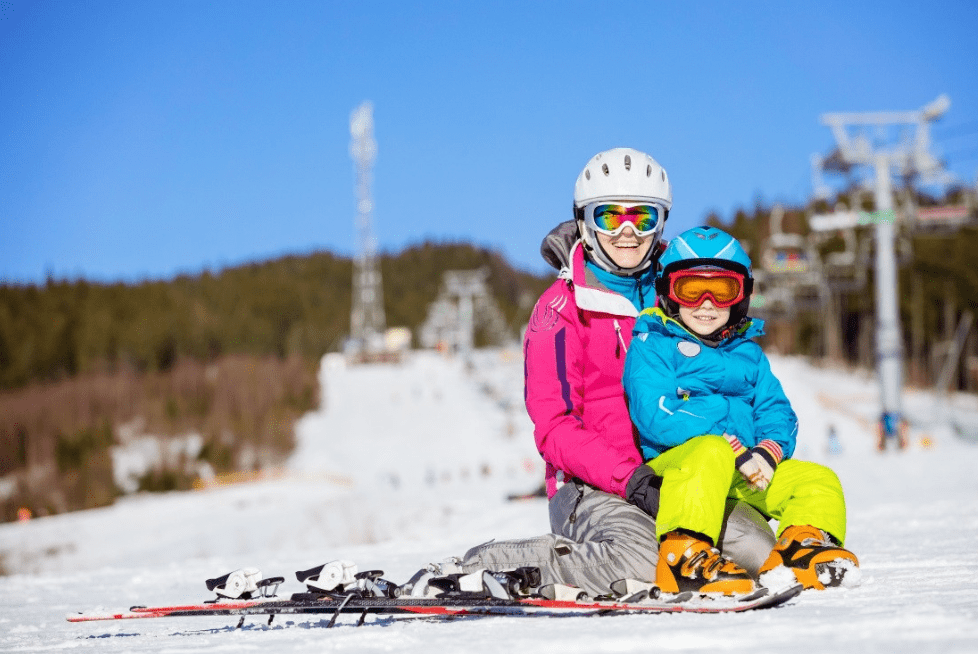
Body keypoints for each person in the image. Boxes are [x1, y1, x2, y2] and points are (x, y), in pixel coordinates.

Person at [418, 149, 776, 598]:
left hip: (675, 476)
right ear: (586, 221)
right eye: (611, 216)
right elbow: (554, 427)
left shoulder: (679, 295)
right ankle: (483, 567)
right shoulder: (561, 309)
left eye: (642, 218)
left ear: (660, 223)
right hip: (594, 487)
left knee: (761, 551)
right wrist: (632, 480)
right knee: (649, 560)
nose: (627, 233)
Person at [622, 225, 860, 595]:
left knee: (816, 479)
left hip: (744, 472)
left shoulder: (747, 353)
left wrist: (767, 451)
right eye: (690, 288)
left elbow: (776, 409)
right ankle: (682, 555)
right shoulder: (653, 344)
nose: (705, 303)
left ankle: (802, 547)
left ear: (741, 296)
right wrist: (727, 442)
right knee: (710, 451)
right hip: (681, 470)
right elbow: (655, 413)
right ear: (669, 293)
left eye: (721, 290)